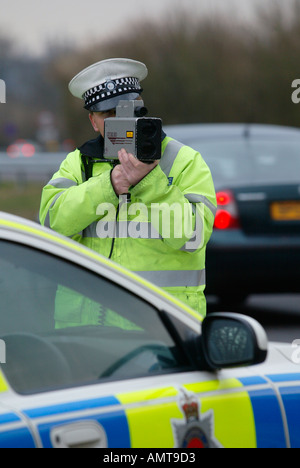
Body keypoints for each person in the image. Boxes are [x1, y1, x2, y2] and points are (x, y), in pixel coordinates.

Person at [39, 58, 216, 327]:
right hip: (82, 332)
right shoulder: (78, 163)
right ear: (93, 121)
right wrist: (108, 185)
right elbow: (52, 225)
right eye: (107, 115)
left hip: (165, 328)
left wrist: (149, 183)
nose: (117, 122)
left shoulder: (184, 161)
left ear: (141, 110)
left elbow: (193, 237)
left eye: (124, 111)